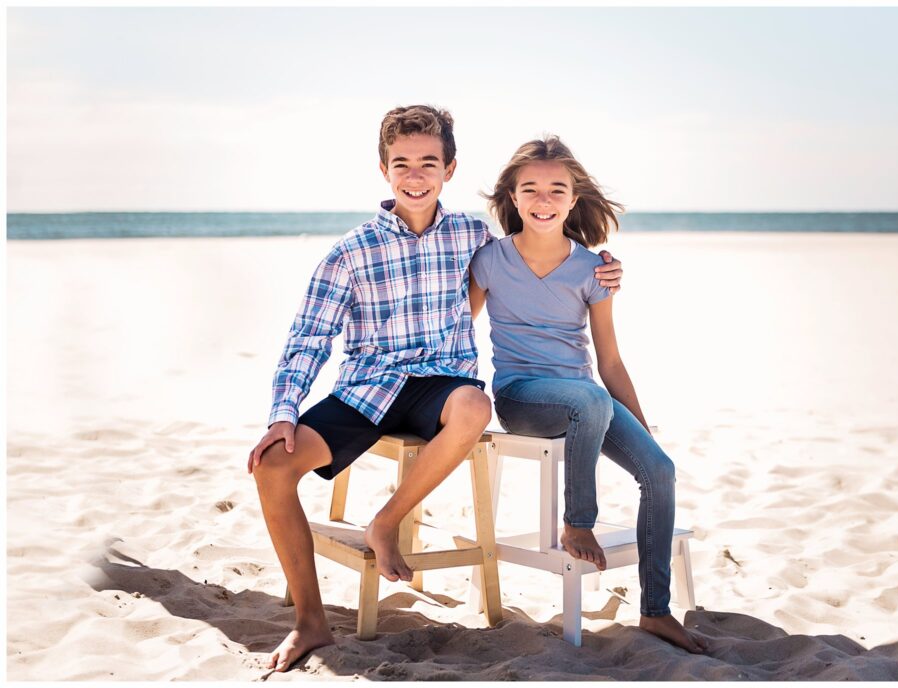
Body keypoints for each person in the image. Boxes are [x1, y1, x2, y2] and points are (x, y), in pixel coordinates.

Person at [246, 107, 623, 672]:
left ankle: (386, 521)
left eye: (429, 162)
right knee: (273, 464)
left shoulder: (473, 236)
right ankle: (310, 621)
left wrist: (603, 268)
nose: (415, 175)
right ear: (384, 170)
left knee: (475, 404)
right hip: (367, 387)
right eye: (403, 164)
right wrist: (283, 413)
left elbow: (539, 236)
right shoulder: (350, 251)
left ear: (449, 169)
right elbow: (308, 338)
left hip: (441, 385)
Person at [468, 136, 707, 653]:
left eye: (558, 189)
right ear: (512, 196)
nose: (544, 199)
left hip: (587, 401)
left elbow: (611, 361)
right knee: (590, 401)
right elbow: (456, 329)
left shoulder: (591, 269)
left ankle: (655, 610)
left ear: (574, 200)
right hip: (521, 398)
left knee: (659, 470)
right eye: (530, 188)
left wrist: (639, 423)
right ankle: (578, 524)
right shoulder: (488, 262)